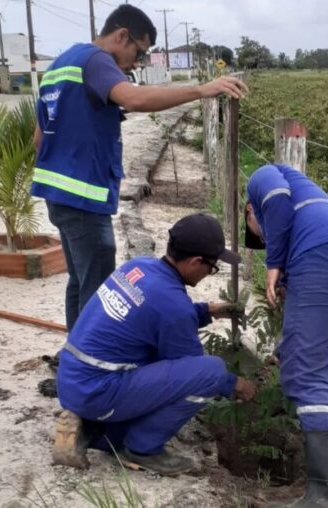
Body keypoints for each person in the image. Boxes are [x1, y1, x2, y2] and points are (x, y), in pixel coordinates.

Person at [32, 4, 247, 332]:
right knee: (96, 288)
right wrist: (202, 90)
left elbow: (39, 137)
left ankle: (75, 355)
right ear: (121, 35)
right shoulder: (96, 60)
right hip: (82, 197)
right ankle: (90, 367)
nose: (136, 63)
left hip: (57, 194)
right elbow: (133, 99)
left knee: (79, 280)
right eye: (139, 51)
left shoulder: (60, 65)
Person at [52, 213, 257, 476]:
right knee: (212, 372)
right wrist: (236, 384)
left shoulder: (137, 268)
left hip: (72, 379)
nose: (210, 272)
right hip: (98, 391)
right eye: (212, 266)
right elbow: (193, 370)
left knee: (149, 360)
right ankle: (142, 448)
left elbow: (155, 315)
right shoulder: (173, 306)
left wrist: (208, 311)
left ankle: (90, 430)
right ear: (196, 262)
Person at [244, 164, 328, 507]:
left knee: (306, 377)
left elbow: (276, 200)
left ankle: (327, 498)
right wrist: (285, 345)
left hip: (324, 256)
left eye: (258, 236)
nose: (262, 240)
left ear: (249, 211)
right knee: (306, 360)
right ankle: (326, 491)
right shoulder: (312, 208)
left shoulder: (262, 178)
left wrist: (272, 262)